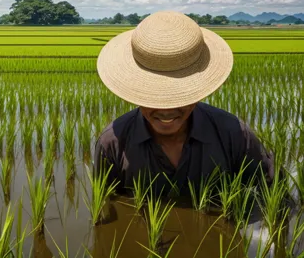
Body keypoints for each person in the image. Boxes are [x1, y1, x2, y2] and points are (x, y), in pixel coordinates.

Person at [94, 11, 275, 198]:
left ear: (199, 92)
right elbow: (105, 210)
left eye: (179, 96)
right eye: (153, 96)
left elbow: (274, 196)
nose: (166, 110)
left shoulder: (234, 135)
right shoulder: (113, 144)